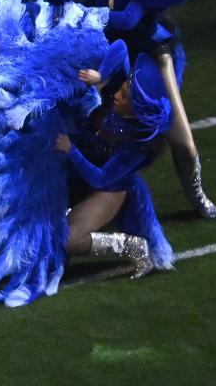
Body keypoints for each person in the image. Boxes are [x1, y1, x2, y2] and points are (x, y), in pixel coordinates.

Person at [63, 0, 216, 220]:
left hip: (151, 58)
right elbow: (94, 14)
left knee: (177, 131)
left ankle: (196, 193)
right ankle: (80, 192)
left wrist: (92, 16)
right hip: (114, 55)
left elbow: (130, 20)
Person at [55, 49, 174, 279]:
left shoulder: (137, 147)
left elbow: (100, 178)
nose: (117, 94)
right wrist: (101, 75)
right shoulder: (116, 99)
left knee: (68, 241)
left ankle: (132, 246)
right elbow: (120, 47)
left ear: (137, 111)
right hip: (79, 174)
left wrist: (71, 150)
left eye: (126, 95)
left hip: (108, 189)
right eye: (123, 88)